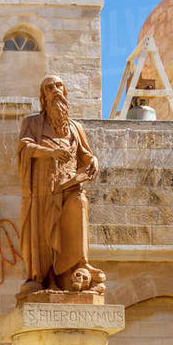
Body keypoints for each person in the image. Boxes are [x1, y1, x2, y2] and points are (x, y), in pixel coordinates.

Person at [17, 76, 106, 294]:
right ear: (43, 96)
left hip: (70, 187)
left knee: (80, 204)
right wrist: (51, 153)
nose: (55, 90)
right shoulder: (33, 123)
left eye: (59, 86)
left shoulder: (75, 127)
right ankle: (43, 277)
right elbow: (24, 147)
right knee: (44, 232)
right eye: (50, 87)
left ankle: (78, 267)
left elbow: (85, 154)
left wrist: (93, 162)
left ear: (64, 92)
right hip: (43, 189)